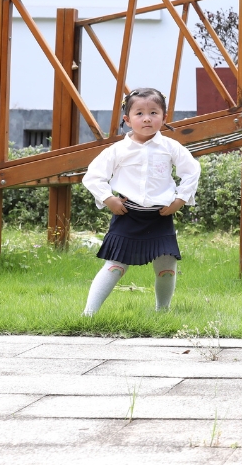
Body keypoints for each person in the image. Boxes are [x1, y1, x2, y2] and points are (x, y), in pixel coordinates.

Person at [81, 88, 200, 316]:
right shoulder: (118, 150)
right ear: (127, 120)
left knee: (167, 269)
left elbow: (192, 170)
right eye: (139, 113)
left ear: (164, 118)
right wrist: (108, 199)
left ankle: (162, 313)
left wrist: (179, 200)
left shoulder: (170, 147)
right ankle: (88, 314)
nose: (147, 118)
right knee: (115, 267)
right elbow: (93, 175)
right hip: (127, 215)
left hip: (160, 217)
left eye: (154, 112)